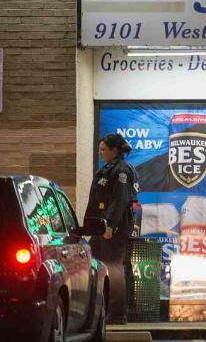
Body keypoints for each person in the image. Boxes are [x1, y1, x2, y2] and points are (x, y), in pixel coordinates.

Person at [85, 134, 140, 325]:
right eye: (99, 149)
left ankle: (117, 314)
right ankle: (98, 310)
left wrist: (109, 224)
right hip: (102, 226)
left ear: (114, 150)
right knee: (94, 262)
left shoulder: (121, 171)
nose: (100, 153)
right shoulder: (110, 169)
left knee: (113, 267)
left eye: (103, 150)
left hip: (114, 227)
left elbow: (120, 200)